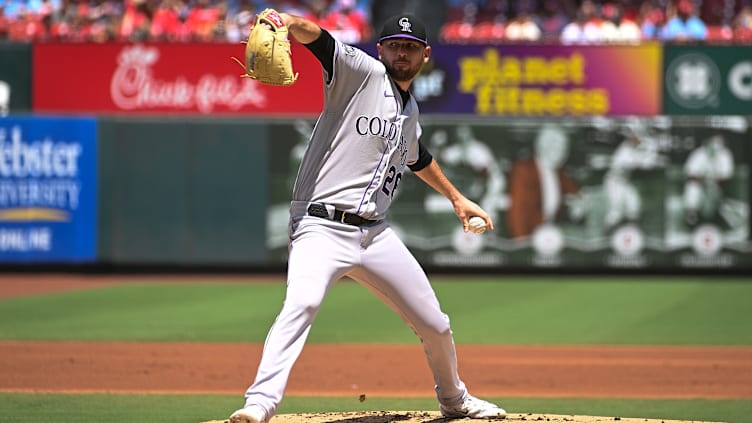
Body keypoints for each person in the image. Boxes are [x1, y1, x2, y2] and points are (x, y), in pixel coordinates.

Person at [228, 10, 506, 423]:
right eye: (394, 45)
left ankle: (455, 400)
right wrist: (282, 20)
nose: (401, 54)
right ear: (380, 49)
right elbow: (317, 38)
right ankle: (259, 404)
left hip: (375, 236)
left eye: (410, 48)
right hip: (319, 226)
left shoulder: (410, 111)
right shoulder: (359, 72)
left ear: (425, 55)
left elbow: (418, 158)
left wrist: (456, 198)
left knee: (436, 324)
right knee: (301, 303)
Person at [506, 124, 583, 239]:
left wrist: (578, 202)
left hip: (551, 235)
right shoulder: (523, 170)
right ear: (543, 146)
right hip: (529, 237)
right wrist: (521, 244)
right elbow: (518, 211)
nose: (564, 153)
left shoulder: (558, 172)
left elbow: (575, 193)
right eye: (559, 147)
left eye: (565, 148)